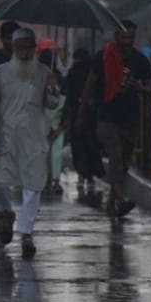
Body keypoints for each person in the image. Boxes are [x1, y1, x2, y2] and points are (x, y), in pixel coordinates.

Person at [0, 28, 60, 258]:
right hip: (4, 138)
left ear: (34, 49)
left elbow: (53, 104)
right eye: (21, 47)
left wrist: (54, 87)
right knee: (1, 183)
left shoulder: (44, 72)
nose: (25, 51)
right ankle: (5, 215)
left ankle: (26, 234)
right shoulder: (0, 72)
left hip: (34, 138)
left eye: (29, 47)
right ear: (14, 48)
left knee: (33, 187)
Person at [78, 20, 151, 217]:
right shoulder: (103, 58)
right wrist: (81, 114)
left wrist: (137, 87)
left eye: (131, 37)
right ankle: (120, 199)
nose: (127, 41)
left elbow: (149, 89)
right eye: (124, 37)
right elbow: (89, 86)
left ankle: (113, 199)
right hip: (106, 117)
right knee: (116, 158)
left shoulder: (140, 61)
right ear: (116, 37)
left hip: (130, 119)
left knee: (124, 164)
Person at [61, 47, 104, 193]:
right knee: (91, 145)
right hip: (91, 116)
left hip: (75, 115)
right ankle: (90, 175)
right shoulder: (91, 71)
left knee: (78, 146)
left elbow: (65, 92)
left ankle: (81, 174)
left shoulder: (73, 72)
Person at [38, 48, 65, 194]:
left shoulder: (57, 78)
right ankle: (51, 179)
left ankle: (53, 179)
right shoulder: (39, 78)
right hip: (49, 121)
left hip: (54, 121)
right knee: (51, 152)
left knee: (52, 152)